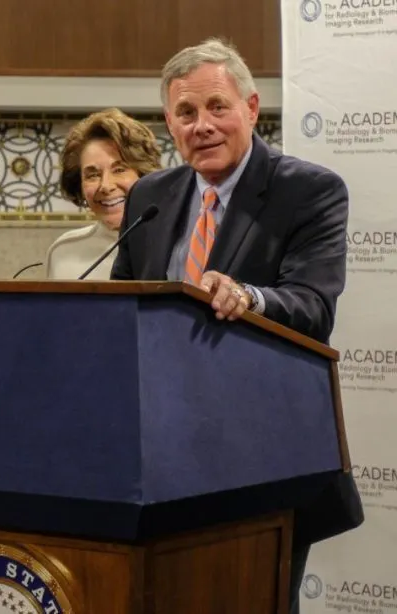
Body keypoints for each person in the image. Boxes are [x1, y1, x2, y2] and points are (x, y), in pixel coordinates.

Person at [110, 38, 364, 614]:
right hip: (159, 458)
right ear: (170, 125)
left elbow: (313, 306)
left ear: (251, 108)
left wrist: (247, 297)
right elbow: (122, 304)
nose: (202, 124)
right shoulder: (151, 195)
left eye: (217, 106)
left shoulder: (309, 191)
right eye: (186, 113)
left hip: (262, 457)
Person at [45, 108, 161, 280]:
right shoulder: (62, 252)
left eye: (119, 170)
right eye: (92, 175)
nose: (105, 186)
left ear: (144, 175)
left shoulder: (176, 244)